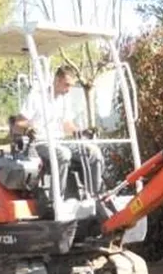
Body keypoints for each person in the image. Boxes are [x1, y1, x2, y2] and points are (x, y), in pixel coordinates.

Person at [10, 65, 105, 195]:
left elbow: (67, 125)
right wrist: (28, 129)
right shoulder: (37, 96)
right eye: (67, 85)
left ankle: (95, 195)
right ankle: (57, 200)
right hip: (40, 142)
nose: (68, 89)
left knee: (94, 152)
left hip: (59, 141)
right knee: (63, 154)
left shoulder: (65, 98)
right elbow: (18, 123)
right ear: (56, 80)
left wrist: (82, 132)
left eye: (71, 85)